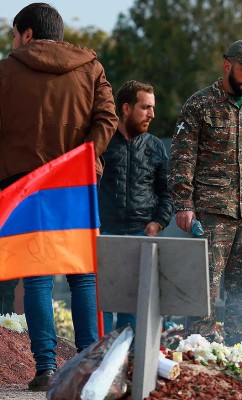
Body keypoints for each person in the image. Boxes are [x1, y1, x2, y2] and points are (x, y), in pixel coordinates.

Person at [0, 3, 117, 391]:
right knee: (82, 275)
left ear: (28, 34)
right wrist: (83, 157)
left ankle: (46, 368)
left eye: (15, 34)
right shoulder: (92, 68)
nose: (14, 42)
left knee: (37, 278)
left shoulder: (6, 71)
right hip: (76, 183)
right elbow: (108, 119)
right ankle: (87, 365)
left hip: (25, 185)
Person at [169, 39, 242, 346]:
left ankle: (238, 352)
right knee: (204, 286)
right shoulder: (199, 105)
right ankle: (200, 350)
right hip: (212, 213)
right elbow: (182, 158)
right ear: (227, 66)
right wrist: (183, 204)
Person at [98, 80, 173, 333]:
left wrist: (159, 221)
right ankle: (98, 364)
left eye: (152, 108)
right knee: (103, 306)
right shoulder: (103, 143)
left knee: (133, 308)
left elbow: (167, 193)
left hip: (142, 236)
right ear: (126, 108)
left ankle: (129, 366)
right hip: (104, 234)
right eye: (145, 107)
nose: (152, 114)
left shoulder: (155, 147)